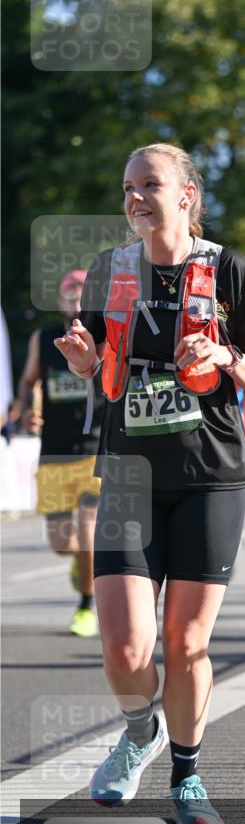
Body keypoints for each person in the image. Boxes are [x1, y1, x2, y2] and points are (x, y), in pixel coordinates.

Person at [54, 142, 245, 824]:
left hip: (209, 476)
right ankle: (138, 731)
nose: (135, 198)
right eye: (127, 187)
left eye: (150, 184)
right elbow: (96, 362)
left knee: (185, 644)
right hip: (128, 474)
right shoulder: (109, 272)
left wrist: (226, 355)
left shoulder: (228, 270)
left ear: (186, 194)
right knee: (125, 650)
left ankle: (186, 775)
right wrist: (86, 362)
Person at [18, 269, 104, 637]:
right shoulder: (44, 338)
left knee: (88, 533)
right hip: (54, 452)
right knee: (61, 542)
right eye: (68, 290)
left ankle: (86, 605)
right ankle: (81, 567)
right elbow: (29, 381)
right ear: (59, 299)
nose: (74, 295)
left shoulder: (105, 335)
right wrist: (27, 410)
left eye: (81, 289)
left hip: (94, 449)